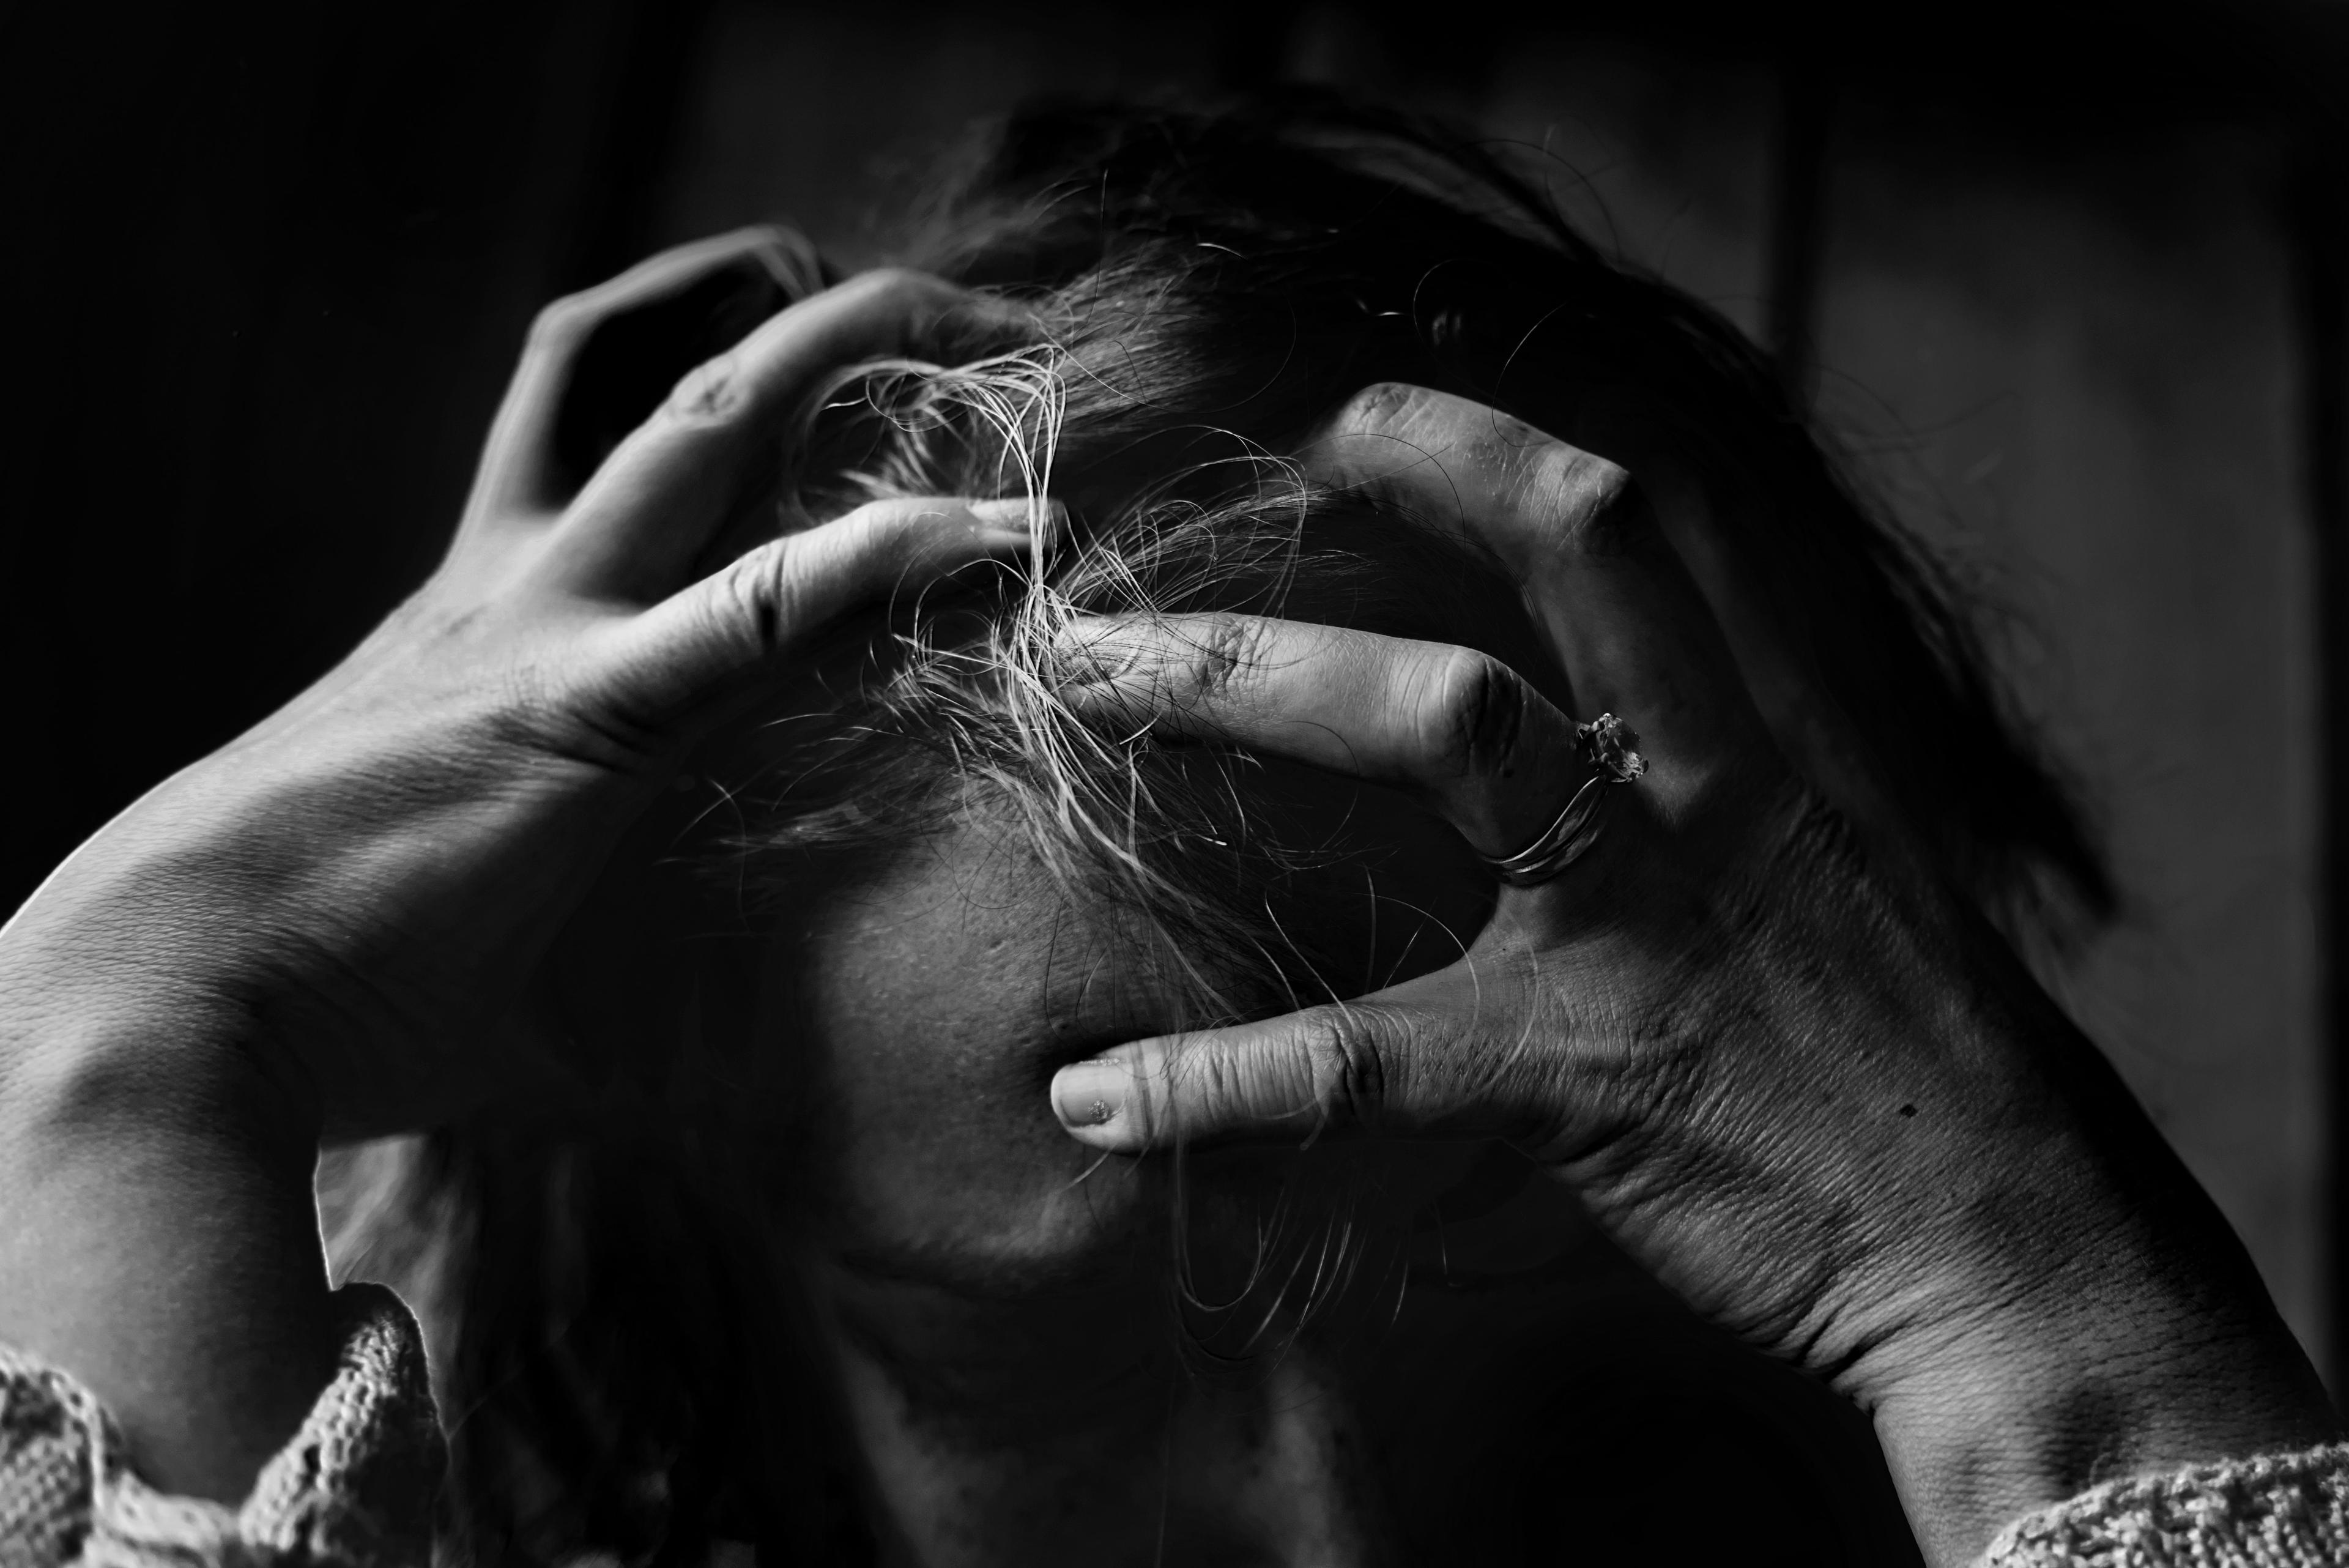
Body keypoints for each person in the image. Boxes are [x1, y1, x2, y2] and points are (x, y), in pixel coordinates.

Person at [1, 97, 2342, 1567]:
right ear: (737, 1270)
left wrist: (2074, 1358)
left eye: (1617, 1417)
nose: (1347, 1545)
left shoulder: (2033, 1378)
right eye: (1050, 1366)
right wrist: (120, 1045)